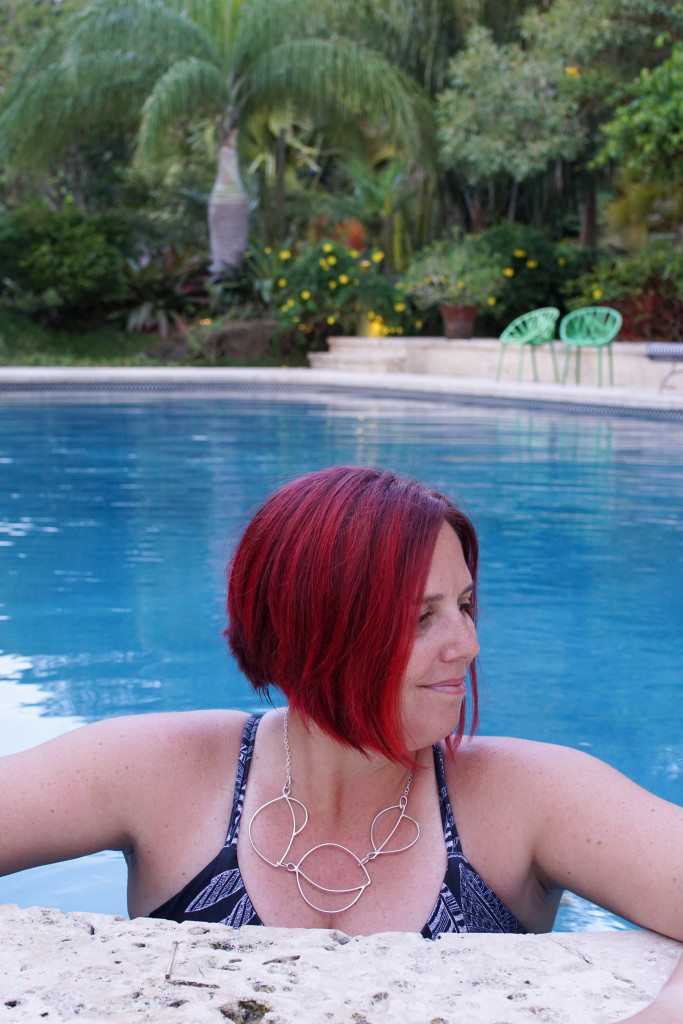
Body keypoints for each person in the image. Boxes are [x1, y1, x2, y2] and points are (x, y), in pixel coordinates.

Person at [1, 465, 682, 1021]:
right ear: (314, 627)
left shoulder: (534, 796)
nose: (467, 645)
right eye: (421, 617)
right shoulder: (153, 769)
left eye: (465, 606)